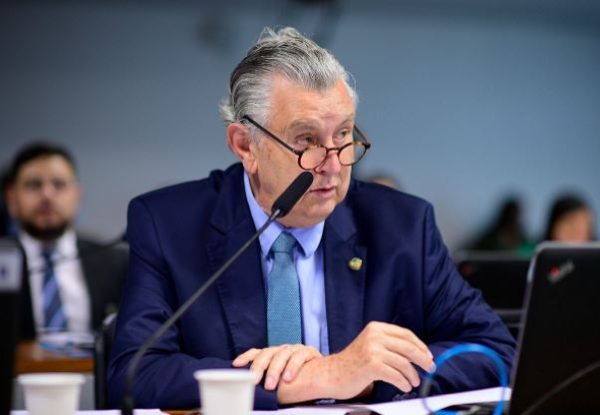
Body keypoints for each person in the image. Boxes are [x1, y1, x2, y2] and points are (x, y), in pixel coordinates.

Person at [108, 27, 515, 410]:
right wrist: (314, 379)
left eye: (343, 135)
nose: (333, 165)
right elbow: (134, 374)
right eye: (306, 141)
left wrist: (371, 378)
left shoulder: (404, 227)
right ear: (245, 145)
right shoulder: (168, 226)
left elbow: (496, 352)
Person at [4, 142, 128, 339]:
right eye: (34, 185)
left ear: (77, 196)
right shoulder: (4, 259)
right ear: (11, 199)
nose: (47, 195)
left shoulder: (116, 262)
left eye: (59, 184)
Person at [467, 197, 533, 254]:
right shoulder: (491, 238)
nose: (512, 219)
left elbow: (528, 253)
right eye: (509, 216)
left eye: (515, 216)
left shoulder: (522, 239)